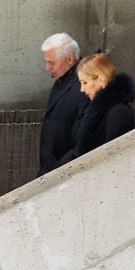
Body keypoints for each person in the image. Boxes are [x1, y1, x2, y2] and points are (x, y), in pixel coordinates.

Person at [59, 54, 135, 165]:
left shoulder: (119, 113)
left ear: (100, 79)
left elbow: (113, 159)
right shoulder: (93, 108)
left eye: (85, 82)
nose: (81, 89)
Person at [38, 33, 88, 176]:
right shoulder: (61, 79)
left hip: (64, 174)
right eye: (46, 62)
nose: (47, 68)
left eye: (52, 63)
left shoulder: (84, 86)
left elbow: (84, 140)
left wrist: (59, 169)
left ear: (70, 58)